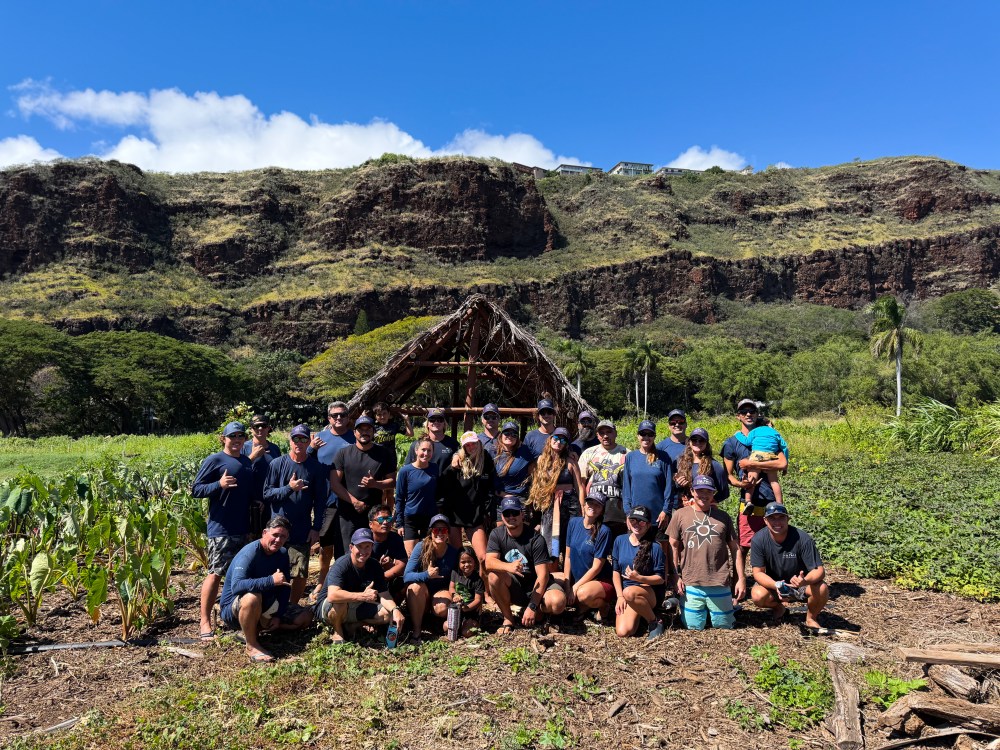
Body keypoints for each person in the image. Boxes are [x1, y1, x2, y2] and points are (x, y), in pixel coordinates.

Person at [218, 516, 313, 663]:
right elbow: (236, 586)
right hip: (235, 609)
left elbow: (284, 587)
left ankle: (255, 630)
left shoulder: (282, 554)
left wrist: (278, 615)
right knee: (252, 598)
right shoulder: (249, 553)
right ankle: (251, 645)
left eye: (283, 536)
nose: (278, 540)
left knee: (305, 617)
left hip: (267, 606)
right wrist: (270, 581)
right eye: (275, 535)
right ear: (264, 533)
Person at [192, 421, 254, 640]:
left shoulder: (247, 462)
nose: (237, 440)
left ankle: (236, 615)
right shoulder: (215, 460)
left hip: (244, 528)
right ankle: (205, 621)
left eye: (240, 437)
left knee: (241, 574)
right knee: (216, 573)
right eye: (232, 437)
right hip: (221, 528)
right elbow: (196, 489)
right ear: (223, 439)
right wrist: (219, 484)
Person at [667, 475, 745, 631]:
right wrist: (675, 575)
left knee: (724, 626)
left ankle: (724, 608)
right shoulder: (680, 515)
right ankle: (704, 609)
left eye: (708, 491)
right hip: (691, 582)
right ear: (691, 491)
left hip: (718, 581)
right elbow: (672, 547)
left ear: (713, 493)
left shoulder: (723, 517)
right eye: (699, 490)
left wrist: (741, 578)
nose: (703, 495)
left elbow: (735, 549)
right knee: (694, 626)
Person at [263, 424, 326, 605]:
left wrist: (316, 528)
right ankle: (273, 607)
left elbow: (320, 501)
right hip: (277, 529)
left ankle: (292, 607)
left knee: (299, 571)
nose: (299, 442)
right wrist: (289, 488)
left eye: (303, 439)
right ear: (290, 441)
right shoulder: (277, 464)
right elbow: (267, 494)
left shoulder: (315, 468)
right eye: (296, 439)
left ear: (309, 442)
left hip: (301, 528)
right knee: (275, 570)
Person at [486, 497, 567, 634]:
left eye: (515, 513)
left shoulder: (536, 539)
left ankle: (537, 611)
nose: (511, 517)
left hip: (536, 586)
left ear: (522, 514)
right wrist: (509, 567)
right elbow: (489, 562)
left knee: (557, 603)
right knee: (493, 576)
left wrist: (533, 606)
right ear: (503, 516)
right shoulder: (496, 534)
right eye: (507, 514)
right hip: (516, 586)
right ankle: (508, 618)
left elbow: (543, 576)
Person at [721, 399, 789, 557]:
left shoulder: (767, 438)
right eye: (744, 412)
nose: (748, 414)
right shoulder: (731, 443)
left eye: (752, 411)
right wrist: (740, 484)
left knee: (773, 546)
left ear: (758, 414)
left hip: (769, 500)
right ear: (738, 416)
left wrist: (751, 463)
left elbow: (783, 463)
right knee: (744, 545)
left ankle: (770, 581)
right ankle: (739, 581)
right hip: (748, 503)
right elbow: (728, 475)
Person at [315, 528, 405, 643]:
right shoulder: (342, 564)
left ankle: (353, 625)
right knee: (340, 601)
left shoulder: (375, 566)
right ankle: (338, 631)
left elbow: (384, 595)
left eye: (367, 546)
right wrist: (363, 596)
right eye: (360, 546)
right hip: (330, 607)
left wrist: (395, 609)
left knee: (387, 614)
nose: (363, 551)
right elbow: (333, 595)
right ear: (351, 548)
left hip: (355, 605)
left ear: (372, 547)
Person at [750, 503, 829, 630]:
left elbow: (819, 570)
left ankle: (811, 618)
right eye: (772, 518)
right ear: (765, 520)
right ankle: (779, 607)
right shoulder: (759, 539)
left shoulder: (802, 538)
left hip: (800, 584)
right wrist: (776, 585)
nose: (777, 522)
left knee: (821, 588)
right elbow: (758, 572)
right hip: (775, 584)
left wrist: (805, 581)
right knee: (757, 595)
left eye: (781, 517)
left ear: (788, 519)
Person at [330, 415, 398, 560]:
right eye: (361, 429)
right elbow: (335, 483)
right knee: (345, 553)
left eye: (368, 429)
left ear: (374, 432)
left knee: (371, 552)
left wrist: (375, 484)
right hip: (347, 513)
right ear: (354, 432)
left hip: (373, 515)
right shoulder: (343, 453)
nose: (364, 432)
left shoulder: (384, 454)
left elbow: (392, 481)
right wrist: (354, 501)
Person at [310, 401, 356, 600]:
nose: (339, 418)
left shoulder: (355, 437)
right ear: (329, 418)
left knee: (346, 544)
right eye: (335, 415)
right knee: (325, 543)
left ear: (348, 417)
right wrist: (311, 448)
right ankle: (322, 580)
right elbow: (307, 463)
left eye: (343, 415)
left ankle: (342, 580)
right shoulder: (320, 438)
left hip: (350, 499)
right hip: (326, 500)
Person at [440, 431, 497, 574]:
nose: (471, 447)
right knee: (459, 556)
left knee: (483, 557)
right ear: (463, 447)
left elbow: (490, 486)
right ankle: (459, 588)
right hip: (455, 513)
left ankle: (485, 590)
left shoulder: (486, 459)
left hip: (475, 515)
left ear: (478, 442)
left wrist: (487, 510)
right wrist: (453, 465)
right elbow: (444, 483)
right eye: (467, 445)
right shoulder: (458, 461)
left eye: (473, 443)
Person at [527, 427, 585, 562]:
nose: (559, 442)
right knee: (550, 540)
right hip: (549, 503)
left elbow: (580, 487)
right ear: (550, 439)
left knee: (569, 540)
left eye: (563, 440)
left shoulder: (570, 461)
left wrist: (582, 507)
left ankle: (568, 575)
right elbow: (536, 485)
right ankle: (552, 574)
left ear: (566, 444)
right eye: (556, 438)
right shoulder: (541, 460)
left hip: (570, 504)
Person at [611, 506, 667, 640]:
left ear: (648, 525)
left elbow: (660, 579)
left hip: (648, 592)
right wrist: (619, 596)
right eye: (634, 520)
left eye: (641, 522)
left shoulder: (655, 547)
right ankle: (640, 613)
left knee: (630, 592)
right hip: (626, 593)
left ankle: (654, 621)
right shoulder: (620, 540)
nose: (637, 524)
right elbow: (616, 571)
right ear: (628, 521)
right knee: (622, 632)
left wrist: (640, 578)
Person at [403, 514, 460, 644]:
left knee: (442, 608)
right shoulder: (421, 547)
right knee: (415, 587)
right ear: (431, 533)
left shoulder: (453, 553)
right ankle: (417, 631)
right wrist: (426, 575)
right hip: (422, 593)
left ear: (448, 534)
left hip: (440, 591)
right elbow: (407, 576)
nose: (440, 533)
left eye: (444, 530)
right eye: (436, 530)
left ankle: (432, 622)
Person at [562, 491, 614, 620]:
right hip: (577, 577)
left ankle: (604, 606)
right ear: (584, 505)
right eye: (590, 503)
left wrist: (574, 588)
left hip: (599, 579)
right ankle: (583, 607)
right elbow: (567, 557)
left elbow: (596, 568)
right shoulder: (573, 523)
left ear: (602, 510)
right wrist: (567, 584)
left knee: (582, 594)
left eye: (598, 505)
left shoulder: (604, 531)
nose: (593, 507)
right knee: (555, 584)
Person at [622, 419, 674, 534]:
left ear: (654, 436)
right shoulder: (631, 457)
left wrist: (666, 511)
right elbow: (626, 488)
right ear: (637, 436)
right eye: (643, 434)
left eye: (650, 434)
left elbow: (669, 487)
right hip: (635, 517)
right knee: (636, 550)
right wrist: (628, 512)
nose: (646, 437)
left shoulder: (663, 457)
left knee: (658, 550)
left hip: (658, 517)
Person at [578, 419, 628, 538]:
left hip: (618, 514)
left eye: (609, 432)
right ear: (597, 436)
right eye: (602, 433)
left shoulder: (626, 454)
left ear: (615, 433)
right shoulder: (589, 453)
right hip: (593, 512)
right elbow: (581, 483)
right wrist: (582, 506)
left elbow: (631, 485)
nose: (605, 436)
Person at [394, 435, 440, 554]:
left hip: (429, 517)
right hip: (411, 518)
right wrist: (399, 524)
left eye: (429, 450)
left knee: (428, 553)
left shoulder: (435, 469)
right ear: (416, 451)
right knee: (411, 555)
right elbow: (399, 498)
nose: (426, 453)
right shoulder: (406, 471)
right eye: (423, 450)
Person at [244, 414, 282, 538]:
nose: (260, 429)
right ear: (251, 429)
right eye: (256, 426)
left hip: (271, 501)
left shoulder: (275, 449)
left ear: (268, 428)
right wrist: (253, 457)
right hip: (251, 501)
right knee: (252, 537)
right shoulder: (243, 448)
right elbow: (238, 471)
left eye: (263, 426)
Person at [734, 417, 786, 505]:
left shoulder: (754, 431)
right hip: (771, 456)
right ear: (769, 424)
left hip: (757, 455)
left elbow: (747, 441)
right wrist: (786, 463)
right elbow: (784, 447)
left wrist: (738, 434)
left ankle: (748, 501)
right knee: (774, 482)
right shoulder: (775, 432)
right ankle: (779, 503)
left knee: (752, 479)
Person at [674, 428, 730, 507]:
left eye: (701, 440)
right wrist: (678, 485)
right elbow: (673, 489)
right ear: (689, 442)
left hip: (705, 509)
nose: (697, 442)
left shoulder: (714, 465)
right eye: (694, 440)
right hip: (685, 507)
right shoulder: (681, 462)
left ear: (706, 443)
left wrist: (707, 501)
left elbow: (724, 492)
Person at [404, 407, 461, 480]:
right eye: (432, 420)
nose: (436, 422)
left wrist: (457, 455)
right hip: (423, 487)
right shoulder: (417, 444)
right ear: (427, 424)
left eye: (440, 420)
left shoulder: (453, 443)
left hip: (446, 488)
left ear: (444, 424)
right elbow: (407, 468)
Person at [368, 504, 408, 603]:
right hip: (367, 580)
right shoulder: (364, 538)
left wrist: (383, 575)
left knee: (407, 583)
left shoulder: (395, 538)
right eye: (381, 519)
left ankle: (394, 606)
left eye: (388, 519)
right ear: (371, 524)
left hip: (386, 578)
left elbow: (402, 564)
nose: (385, 522)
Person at [493, 421, 535, 504]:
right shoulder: (492, 451)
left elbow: (543, 456)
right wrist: (458, 454)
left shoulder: (525, 451)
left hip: (519, 500)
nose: (510, 436)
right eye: (507, 433)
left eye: (514, 434)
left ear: (517, 438)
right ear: (501, 435)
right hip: (498, 500)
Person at [449, 546, 485, 636]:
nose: (466, 565)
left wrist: (466, 608)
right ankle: (460, 625)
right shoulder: (455, 573)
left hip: (471, 611)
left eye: (469, 561)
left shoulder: (478, 580)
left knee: (466, 632)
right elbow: (451, 587)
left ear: (475, 562)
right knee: (446, 627)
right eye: (463, 562)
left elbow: (478, 600)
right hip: (457, 610)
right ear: (458, 563)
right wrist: (455, 595)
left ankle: (477, 623)